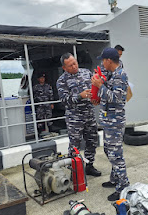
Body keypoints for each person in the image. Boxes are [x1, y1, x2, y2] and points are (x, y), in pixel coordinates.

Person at [91, 48, 130, 201]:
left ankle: (123, 187)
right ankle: (115, 179)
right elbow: (109, 93)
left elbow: (117, 98)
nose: (102, 63)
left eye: (103, 60)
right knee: (109, 151)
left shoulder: (120, 76)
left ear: (108, 60)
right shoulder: (113, 75)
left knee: (116, 156)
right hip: (109, 121)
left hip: (115, 122)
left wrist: (100, 86)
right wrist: (100, 87)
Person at [56, 53, 101, 177]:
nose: (74, 66)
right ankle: (74, 171)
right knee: (75, 145)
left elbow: (95, 87)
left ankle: (90, 166)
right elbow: (64, 100)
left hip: (89, 114)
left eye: (75, 63)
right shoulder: (62, 81)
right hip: (75, 117)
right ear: (64, 68)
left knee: (92, 141)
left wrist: (96, 97)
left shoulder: (86, 72)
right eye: (70, 65)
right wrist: (79, 96)